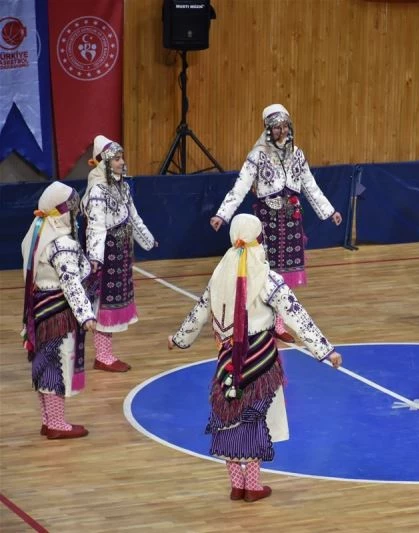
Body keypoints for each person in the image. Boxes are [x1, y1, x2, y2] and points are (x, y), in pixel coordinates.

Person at [169, 214, 342, 502]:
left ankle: (237, 485)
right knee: (255, 419)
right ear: (260, 239)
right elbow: (297, 316)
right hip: (260, 359)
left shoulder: (218, 274)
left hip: (227, 360)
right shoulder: (266, 277)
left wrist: (179, 339)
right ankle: (253, 486)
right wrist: (325, 350)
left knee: (229, 417)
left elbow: (198, 313)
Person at [210, 104, 342, 344]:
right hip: (267, 221)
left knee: (284, 273)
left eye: (284, 126)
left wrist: (329, 210)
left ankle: (278, 323)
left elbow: (310, 186)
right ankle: (262, 319)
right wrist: (222, 214)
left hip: (291, 221)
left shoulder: (297, 154)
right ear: (268, 129)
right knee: (265, 270)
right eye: (276, 127)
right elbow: (240, 187)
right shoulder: (257, 155)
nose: (281, 131)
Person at [22, 182, 97, 439]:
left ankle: (48, 421)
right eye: (73, 210)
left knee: (44, 364)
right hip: (58, 313)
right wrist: (86, 314)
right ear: (64, 212)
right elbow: (70, 282)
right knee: (56, 364)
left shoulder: (37, 234)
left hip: (39, 310)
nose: (76, 215)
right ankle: (56, 424)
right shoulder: (62, 243)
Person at [82, 135, 157, 372]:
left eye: (121, 157)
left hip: (121, 254)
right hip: (107, 255)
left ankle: (105, 354)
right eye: (116, 158)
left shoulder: (122, 186)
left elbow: (132, 217)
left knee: (112, 304)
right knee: (103, 305)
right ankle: (102, 357)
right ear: (104, 161)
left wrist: (147, 239)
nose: (121, 162)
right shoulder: (97, 191)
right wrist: (95, 257)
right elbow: (95, 225)